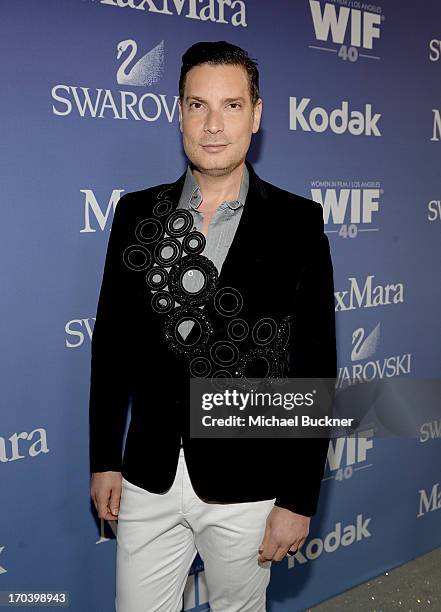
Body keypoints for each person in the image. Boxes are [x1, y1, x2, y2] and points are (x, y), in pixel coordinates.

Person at [89, 40, 337, 612]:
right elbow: (112, 348)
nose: (214, 125)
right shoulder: (136, 215)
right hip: (146, 476)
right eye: (198, 105)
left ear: (257, 114)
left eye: (230, 105)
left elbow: (314, 364)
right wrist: (105, 456)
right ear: (179, 113)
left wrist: (298, 499)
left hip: (249, 482)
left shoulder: (298, 223)